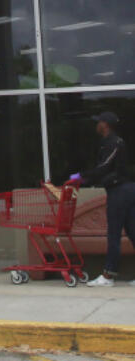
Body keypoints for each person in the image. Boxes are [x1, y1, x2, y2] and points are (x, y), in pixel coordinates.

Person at [69, 111, 135, 287]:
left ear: (105, 125)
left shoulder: (114, 143)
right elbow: (103, 170)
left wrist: (81, 176)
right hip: (125, 190)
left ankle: (108, 275)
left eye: (98, 122)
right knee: (132, 232)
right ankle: (108, 274)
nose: (96, 125)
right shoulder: (108, 143)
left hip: (120, 192)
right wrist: (85, 179)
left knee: (113, 234)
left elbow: (104, 167)